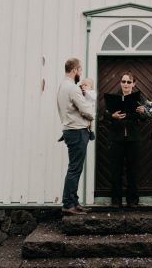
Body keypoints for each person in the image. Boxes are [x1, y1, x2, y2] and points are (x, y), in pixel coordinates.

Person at [57, 58, 94, 215]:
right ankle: (68, 205)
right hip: (77, 131)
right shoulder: (72, 88)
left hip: (70, 130)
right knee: (74, 168)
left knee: (75, 168)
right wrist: (92, 112)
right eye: (79, 70)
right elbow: (86, 110)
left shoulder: (62, 87)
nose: (80, 73)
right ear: (74, 70)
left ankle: (74, 201)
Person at [104, 71, 144, 208]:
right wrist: (112, 116)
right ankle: (116, 200)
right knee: (116, 170)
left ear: (133, 84)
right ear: (120, 83)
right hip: (116, 139)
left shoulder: (139, 99)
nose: (125, 84)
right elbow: (105, 117)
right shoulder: (114, 99)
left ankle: (132, 200)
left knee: (133, 171)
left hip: (133, 139)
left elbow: (144, 119)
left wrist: (143, 112)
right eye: (123, 81)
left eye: (128, 82)